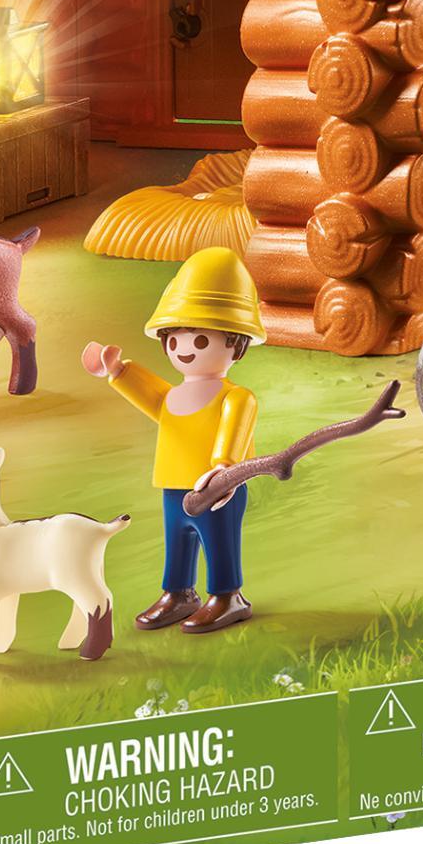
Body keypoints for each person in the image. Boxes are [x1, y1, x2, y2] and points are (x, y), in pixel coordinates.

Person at [81, 248, 264, 634]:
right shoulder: (173, 397)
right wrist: (118, 371)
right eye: (174, 341)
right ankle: (179, 593)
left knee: (218, 541)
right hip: (173, 484)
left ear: (236, 342)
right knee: (178, 539)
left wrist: (223, 469)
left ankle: (228, 596)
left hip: (217, 488)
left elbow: (233, 435)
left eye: (200, 341)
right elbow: (153, 398)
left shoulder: (237, 397)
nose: (184, 350)